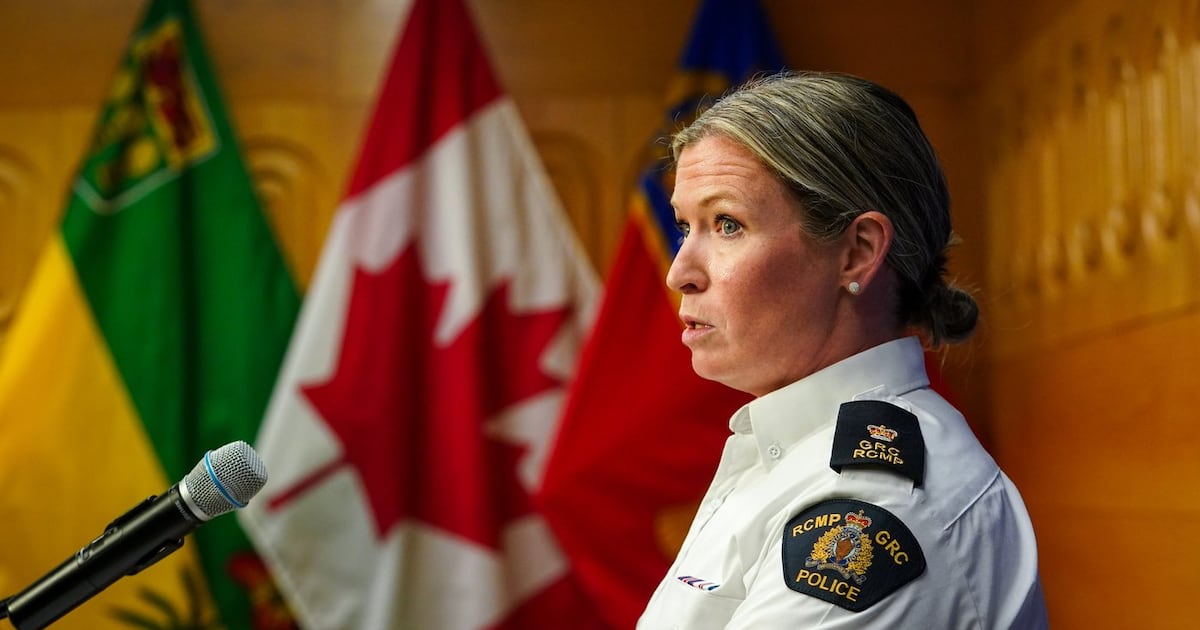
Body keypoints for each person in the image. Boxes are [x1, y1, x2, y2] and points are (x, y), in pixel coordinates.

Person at [636, 71, 1048, 629]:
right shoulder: (790, 450)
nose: (679, 272)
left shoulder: (874, 504)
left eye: (727, 224)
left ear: (857, 252)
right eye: (686, 227)